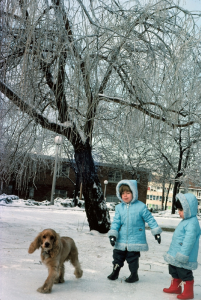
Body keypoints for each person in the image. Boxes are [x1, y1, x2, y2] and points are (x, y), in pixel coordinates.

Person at [107, 179, 162, 283]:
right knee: (117, 256)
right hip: (121, 238)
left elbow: (150, 219)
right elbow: (116, 222)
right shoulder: (119, 208)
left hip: (136, 238)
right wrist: (113, 234)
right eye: (123, 193)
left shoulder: (141, 207)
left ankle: (134, 275)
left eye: (128, 193)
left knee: (132, 258)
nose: (125, 195)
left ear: (134, 193)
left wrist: (156, 232)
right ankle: (115, 272)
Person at [163, 193, 201, 300]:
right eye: (178, 210)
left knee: (184, 272)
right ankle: (176, 287)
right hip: (175, 254)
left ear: (189, 209)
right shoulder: (186, 221)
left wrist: (183, 254)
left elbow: (189, 241)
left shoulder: (192, 223)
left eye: (181, 210)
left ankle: (188, 292)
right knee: (173, 269)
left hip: (184, 255)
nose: (179, 213)